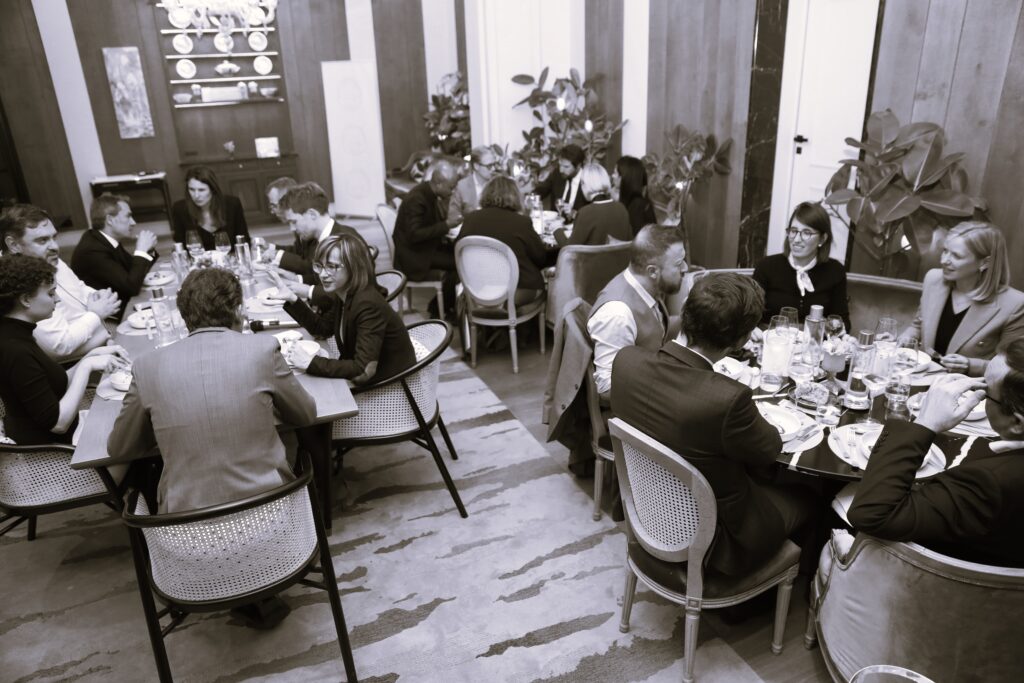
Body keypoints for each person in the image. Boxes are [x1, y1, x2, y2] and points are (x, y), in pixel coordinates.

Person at [611, 272, 816, 576]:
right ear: (741, 340)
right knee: (813, 496)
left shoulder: (625, 361)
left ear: (686, 312)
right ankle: (782, 594)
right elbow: (768, 450)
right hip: (715, 542)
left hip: (647, 510)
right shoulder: (727, 399)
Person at [107, 267, 316, 513]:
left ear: (184, 317)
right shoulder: (262, 350)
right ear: (238, 310)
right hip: (272, 511)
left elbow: (120, 448)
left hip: (187, 523)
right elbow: (305, 415)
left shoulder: (146, 366)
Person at [848, 342, 1024, 568]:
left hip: (919, 576)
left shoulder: (989, 483)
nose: (976, 392)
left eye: (985, 391)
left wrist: (925, 423)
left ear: (1017, 422)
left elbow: (871, 514)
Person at [0, 254, 128, 445]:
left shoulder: (18, 332)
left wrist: (90, 357)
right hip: (55, 451)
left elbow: (56, 383)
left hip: (67, 433)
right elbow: (58, 424)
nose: (58, 299)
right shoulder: (15, 350)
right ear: (26, 300)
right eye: (51, 294)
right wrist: (86, 367)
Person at [271, 234, 416, 383]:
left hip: (390, 385)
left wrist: (310, 363)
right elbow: (321, 329)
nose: (323, 274)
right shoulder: (343, 293)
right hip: (366, 375)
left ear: (353, 267)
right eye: (319, 266)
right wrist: (293, 299)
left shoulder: (367, 304)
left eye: (331, 267)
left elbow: (362, 369)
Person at [901, 221, 1024, 377]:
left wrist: (970, 365)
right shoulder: (933, 279)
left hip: (968, 388)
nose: (944, 260)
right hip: (921, 379)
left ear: (984, 262)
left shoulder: (1015, 304)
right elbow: (918, 324)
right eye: (945, 251)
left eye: (956, 256)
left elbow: (1013, 367)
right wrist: (908, 336)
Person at [1, 204, 119, 359]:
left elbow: (78, 287)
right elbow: (60, 346)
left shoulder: (45, 258)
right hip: (79, 364)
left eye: (54, 237)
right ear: (14, 245)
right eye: (42, 240)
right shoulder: (15, 283)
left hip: (103, 342)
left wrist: (97, 295)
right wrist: (95, 314)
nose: (55, 247)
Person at [588, 224, 687, 401]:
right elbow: (607, 389)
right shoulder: (617, 315)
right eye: (679, 264)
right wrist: (668, 382)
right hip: (634, 407)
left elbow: (655, 330)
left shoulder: (645, 286)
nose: (685, 268)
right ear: (652, 271)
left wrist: (691, 315)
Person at [457, 175, 556, 305]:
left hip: (478, 290)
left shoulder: (470, 220)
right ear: (515, 196)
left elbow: (459, 253)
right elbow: (540, 258)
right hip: (515, 292)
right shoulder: (521, 223)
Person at [752, 201, 850, 328]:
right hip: (772, 338)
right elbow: (749, 316)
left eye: (806, 233)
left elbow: (843, 322)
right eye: (793, 231)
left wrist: (837, 327)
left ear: (822, 238)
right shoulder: (766, 266)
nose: (797, 239)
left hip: (813, 340)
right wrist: (753, 329)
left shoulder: (835, 271)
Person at [263, 181, 371, 290]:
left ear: (312, 214)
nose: (292, 228)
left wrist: (307, 291)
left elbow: (342, 292)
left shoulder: (344, 241)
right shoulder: (316, 236)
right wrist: (297, 279)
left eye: (294, 222)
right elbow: (321, 278)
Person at [393, 160, 460, 317]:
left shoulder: (428, 193)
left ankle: (445, 306)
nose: (452, 192)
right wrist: (446, 225)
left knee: (459, 255)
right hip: (413, 257)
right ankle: (437, 309)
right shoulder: (417, 199)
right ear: (439, 184)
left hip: (423, 248)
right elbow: (415, 235)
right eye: (451, 187)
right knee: (459, 264)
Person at [71, 193, 157, 315]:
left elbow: (135, 272)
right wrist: (141, 251)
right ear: (110, 220)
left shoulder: (104, 239)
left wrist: (148, 250)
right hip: (112, 317)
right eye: (128, 216)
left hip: (124, 303)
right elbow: (131, 287)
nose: (133, 222)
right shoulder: (92, 250)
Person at [170, 165, 250, 250]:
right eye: (192, 189)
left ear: (213, 189)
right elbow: (180, 246)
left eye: (201, 190)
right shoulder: (180, 209)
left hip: (230, 257)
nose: (196, 196)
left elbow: (244, 240)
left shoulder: (232, 204)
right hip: (197, 258)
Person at [555, 163, 632, 247]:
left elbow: (569, 248)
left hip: (589, 256)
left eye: (582, 184)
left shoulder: (586, 212)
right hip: (619, 255)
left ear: (585, 185)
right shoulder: (621, 208)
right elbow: (629, 242)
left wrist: (557, 229)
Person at [448, 146, 499, 224]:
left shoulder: (498, 185)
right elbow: (453, 218)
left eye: (494, 165)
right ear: (476, 166)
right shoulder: (462, 186)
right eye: (489, 166)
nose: (493, 169)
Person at [535, 143, 588, 214]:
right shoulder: (557, 174)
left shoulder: (588, 180)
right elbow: (542, 190)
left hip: (579, 220)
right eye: (560, 165)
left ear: (578, 166)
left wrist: (574, 213)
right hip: (555, 220)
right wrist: (532, 197)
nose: (561, 170)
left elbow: (593, 212)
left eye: (566, 167)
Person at [613, 155, 656, 235]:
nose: (613, 176)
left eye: (615, 173)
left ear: (625, 177)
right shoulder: (634, 202)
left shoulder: (637, 205)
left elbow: (635, 238)